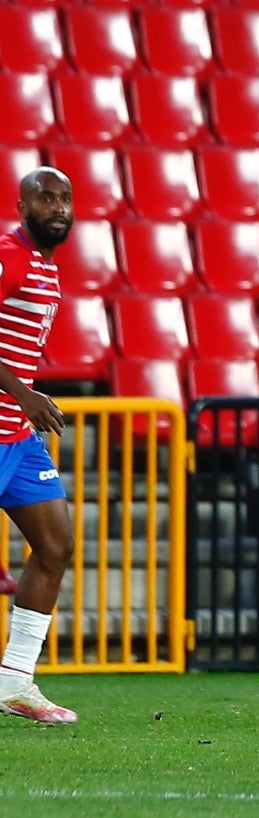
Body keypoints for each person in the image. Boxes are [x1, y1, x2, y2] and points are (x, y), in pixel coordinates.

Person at [0, 167, 77, 724]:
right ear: (23, 206)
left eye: (66, 198)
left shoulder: (46, 264)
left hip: (17, 438)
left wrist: (22, 402)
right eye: (46, 198)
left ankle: (13, 683)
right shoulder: (10, 255)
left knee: (55, 547)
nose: (59, 207)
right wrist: (23, 392)